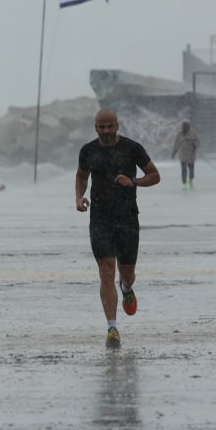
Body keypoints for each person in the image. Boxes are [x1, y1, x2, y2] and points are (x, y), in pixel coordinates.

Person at [75, 108, 161, 348]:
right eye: (101, 127)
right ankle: (112, 328)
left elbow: (155, 175)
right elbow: (81, 176)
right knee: (105, 271)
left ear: (117, 126)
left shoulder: (132, 148)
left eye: (110, 126)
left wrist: (134, 181)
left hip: (127, 219)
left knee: (127, 272)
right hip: (100, 219)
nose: (106, 131)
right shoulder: (88, 151)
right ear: (95, 128)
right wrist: (79, 197)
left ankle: (127, 288)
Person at [171, 120, 199, 189]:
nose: (185, 128)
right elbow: (176, 144)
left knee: (191, 170)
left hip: (191, 155)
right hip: (183, 155)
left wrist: (195, 145)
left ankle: (190, 180)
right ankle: (184, 184)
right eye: (184, 126)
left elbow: (197, 142)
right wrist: (174, 153)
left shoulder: (193, 133)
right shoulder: (180, 134)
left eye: (187, 126)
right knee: (184, 170)